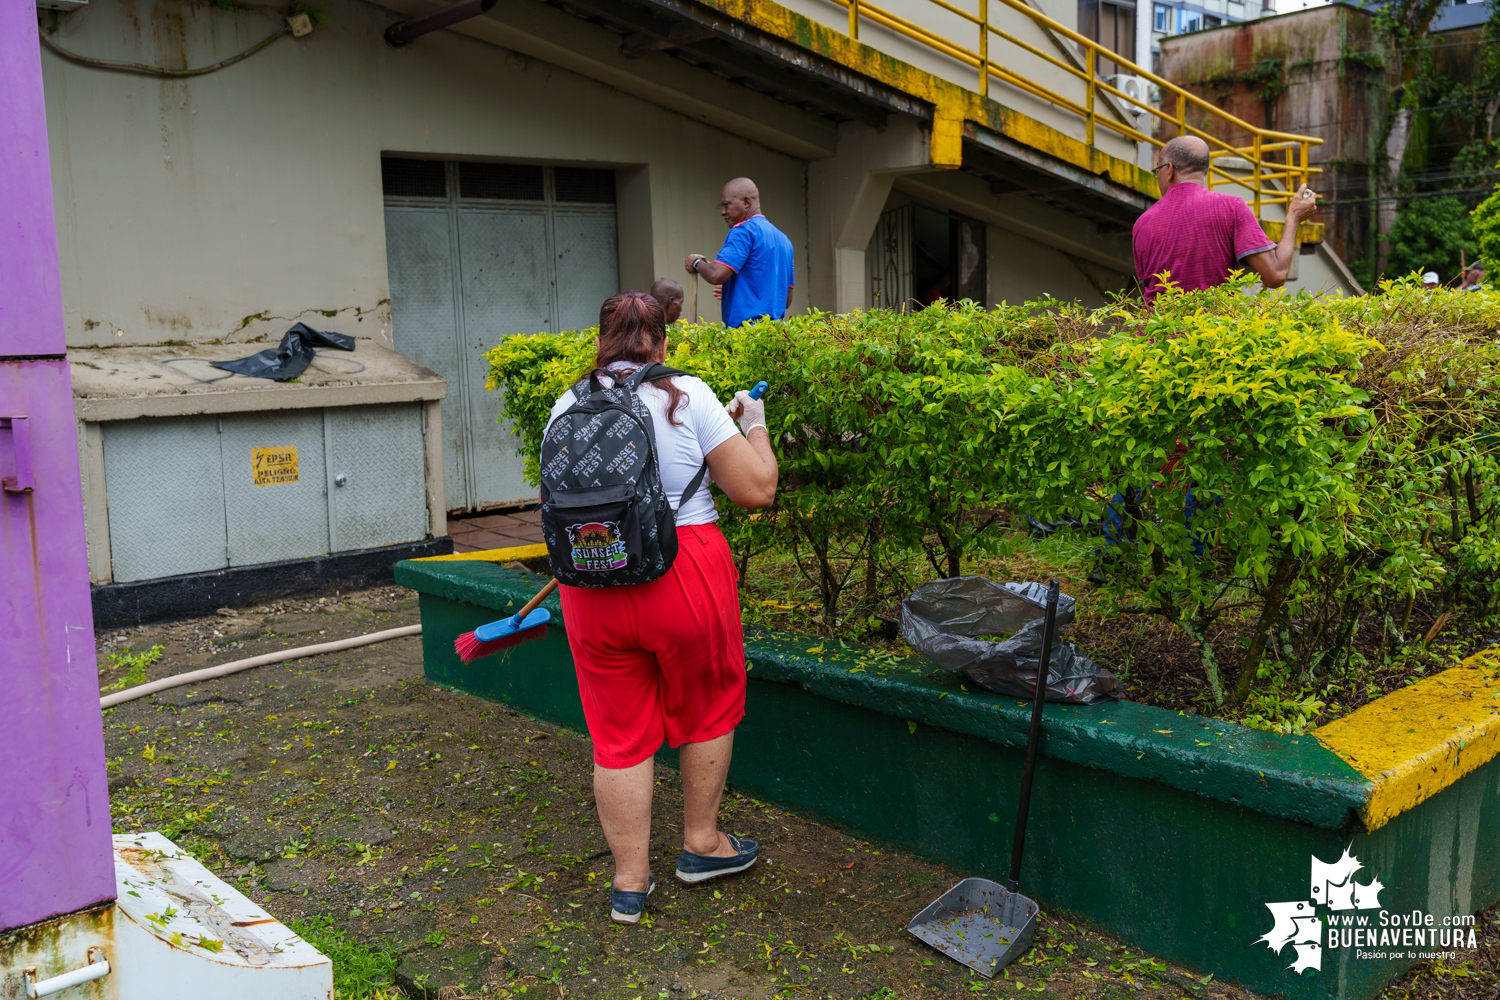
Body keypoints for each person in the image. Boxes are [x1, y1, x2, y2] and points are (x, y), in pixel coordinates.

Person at [544, 291, 779, 925]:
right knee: (706, 708)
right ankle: (701, 846)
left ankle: (629, 883)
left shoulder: (566, 406)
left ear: (601, 341)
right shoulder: (689, 396)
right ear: (662, 343)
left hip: (591, 583)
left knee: (617, 737)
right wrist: (752, 421)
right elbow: (757, 490)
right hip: (683, 572)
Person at [1133, 135, 1321, 306]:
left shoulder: (1141, 224)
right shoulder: (1231, 207)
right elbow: (1276, 275)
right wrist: (1293, 218)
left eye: (1157, 171)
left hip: (1156, 338)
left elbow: (1149, 291)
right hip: (1211, 338)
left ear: (1169, 170)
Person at [684, 178, 795, 327]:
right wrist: (736, 292)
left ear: (746, 203)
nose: (723, 212)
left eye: (726, 205)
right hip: (775, 338)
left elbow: (717, 274)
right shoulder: (785, 241)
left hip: (746, 339)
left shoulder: (744, 231)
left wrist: (696, 263)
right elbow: (786, 300)